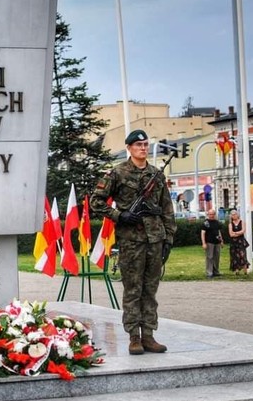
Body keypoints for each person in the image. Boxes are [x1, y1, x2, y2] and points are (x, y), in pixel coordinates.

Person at [90, 129, 176, 355]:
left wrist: (169, 237)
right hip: (131, 241)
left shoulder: (156, 174)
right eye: (138, 145)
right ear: (129, 148)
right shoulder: (117, 173)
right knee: (132, 290)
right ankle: (134, 338)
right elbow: (96, 201)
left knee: (150, 290)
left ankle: (148, 335)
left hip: (155, 239)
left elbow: (167, 208)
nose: (143, 148)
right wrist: (120, 216)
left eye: (146, 145)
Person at [200, 209, 224, 278]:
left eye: (213, 214)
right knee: (209, 257)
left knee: (216, 258)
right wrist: (203, 243)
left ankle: (216, 271)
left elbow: (218, 232)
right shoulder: (206, 223)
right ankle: (209, 273)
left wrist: (221, 241)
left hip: (217, 242)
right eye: (210, 214)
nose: (211, 215)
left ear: (215, 214)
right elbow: (203, 233)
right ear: (208, 215)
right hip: (209, 242)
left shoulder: (217, 222)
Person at [227, 209, 250, 275]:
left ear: (237, 215)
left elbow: (243, 231)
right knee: (234, 256)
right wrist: (238, 233)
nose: (234, 216)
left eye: (235, 214)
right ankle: (236, 270)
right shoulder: (230, 224)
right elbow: (231, 234)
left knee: (242, 255)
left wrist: (235, 233)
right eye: (232, 215)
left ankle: (245, 270)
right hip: (233, 242)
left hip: (241, 241)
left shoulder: (242, 222)